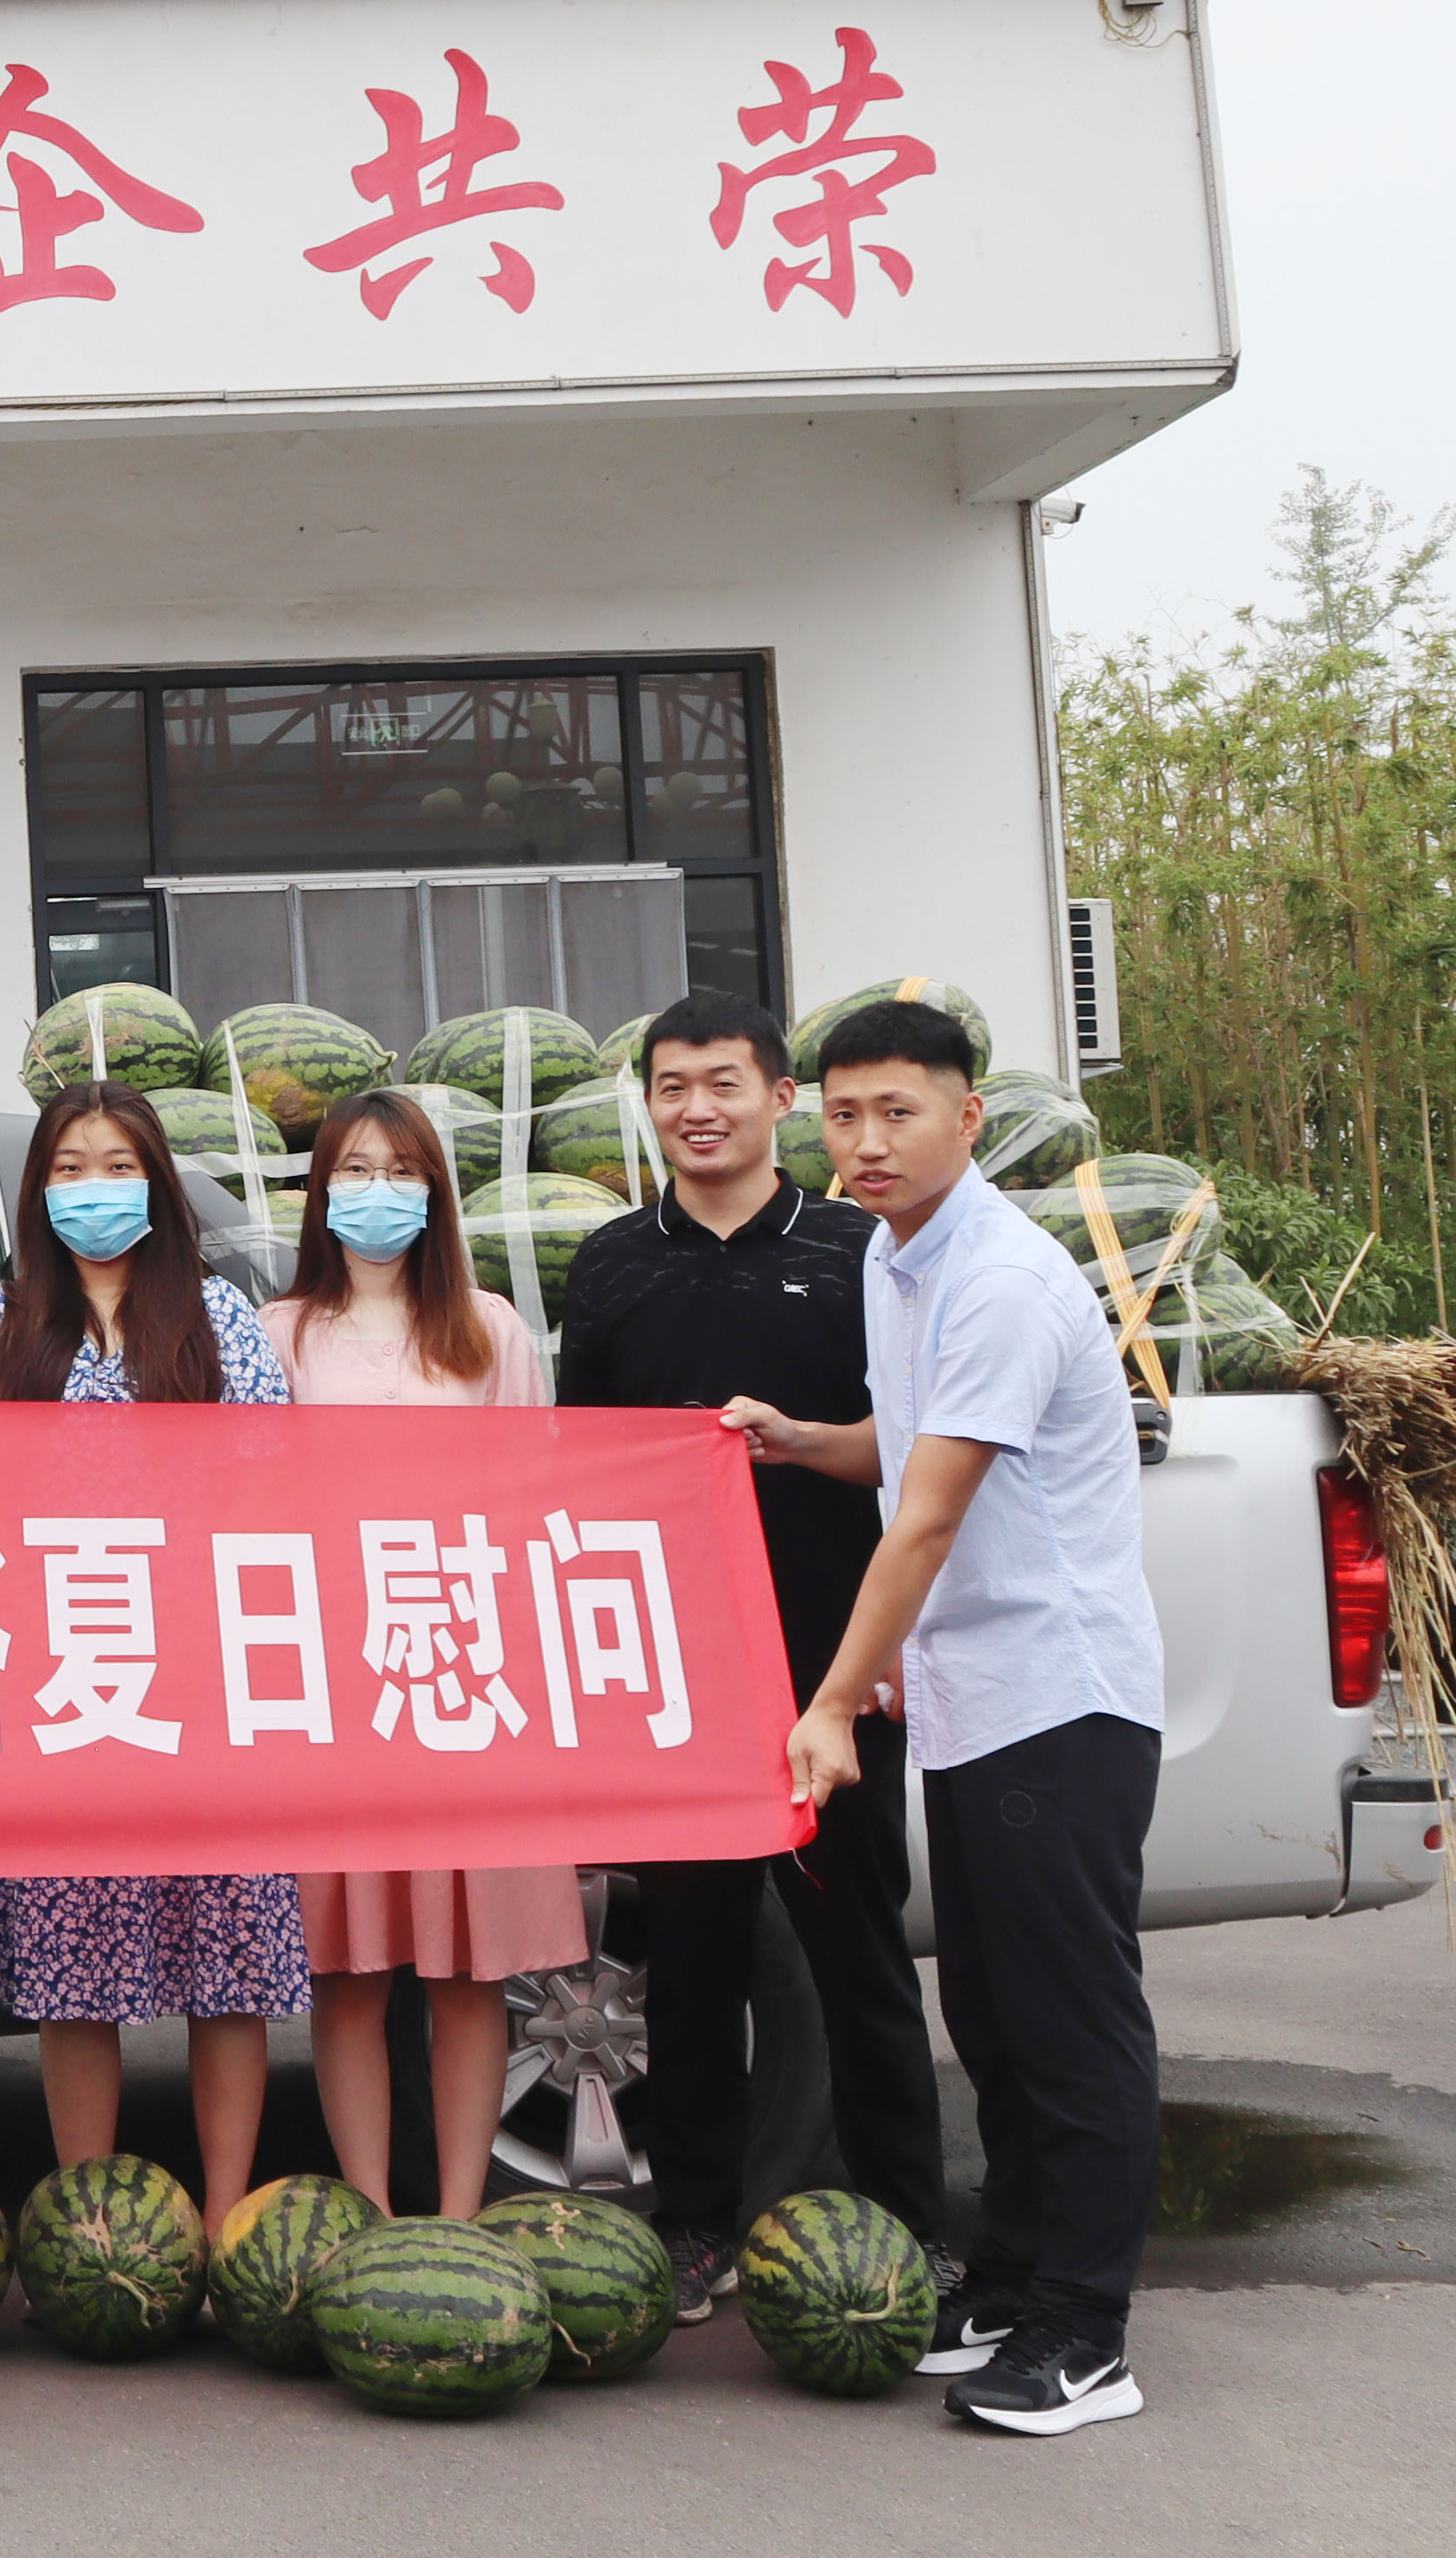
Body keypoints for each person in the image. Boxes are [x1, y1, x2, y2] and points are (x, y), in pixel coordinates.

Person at [754, 998, 1167, 2438]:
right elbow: (912, 1440)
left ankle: (1086, 2336)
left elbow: (927, 1518)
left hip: (1058, 1694)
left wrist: (831, 1699)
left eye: (898, 1111)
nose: (865, 1141)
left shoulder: (997, 1277)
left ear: (967, 1116)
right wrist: (807, 1442)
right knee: (991, 2011)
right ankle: (1012, 2284)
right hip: (979, 1698)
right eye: (843, 1114)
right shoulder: (896, 1256)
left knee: (1068, 2021)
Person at [552, 988, 946, 2321]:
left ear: (781, 1099)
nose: (697, 1109)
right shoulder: (611, 1263)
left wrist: (889, 1646)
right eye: (672, 1086)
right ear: (648, 1105)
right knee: (692, 1962)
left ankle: (912, 2221)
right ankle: (696, 2223)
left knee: (859, 1958)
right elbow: (583, 1477)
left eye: (723, 1082)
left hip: (837, 1666)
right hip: (677, 1674)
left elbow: (918, 1460)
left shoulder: (860, 1254)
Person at [0, 1083, 307, 2211]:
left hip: (198, 1674)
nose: (92, 1189)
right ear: (37, 1192)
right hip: (62, 1677)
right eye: (69, 1168)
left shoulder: (218, 1316)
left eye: (117, 1166)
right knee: (73, 1968)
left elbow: (271, 1488)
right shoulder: (2, 1323)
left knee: (226, 1958)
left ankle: (229, 2213)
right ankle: (88, 2215)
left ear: (155, 1182)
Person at [264, 1091, 577, 2220]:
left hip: (464, 1677)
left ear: (437, 1193)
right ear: (320, 1193)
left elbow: (534, 1507)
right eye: (353, 1170)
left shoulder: (490, 1330)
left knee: (468, 1970)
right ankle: (369, 2214)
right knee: (348, 1973)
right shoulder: (279, 1333)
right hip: (333, 1684)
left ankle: (458, 2217)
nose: (377, 1192)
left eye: (401, 1171)